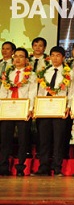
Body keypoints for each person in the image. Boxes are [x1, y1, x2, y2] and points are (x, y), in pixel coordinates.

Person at [31, 46, 71, 177]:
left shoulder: (68, 73)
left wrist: (68, 106)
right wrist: (36, 107)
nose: (55, 58)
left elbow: (71, 92)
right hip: (44, 110)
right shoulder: (44, 72)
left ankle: (57, 167)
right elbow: (39, 91)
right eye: (53, 55)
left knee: (58, 140)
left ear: (63, 57)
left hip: (59, 110)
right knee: (44, 140)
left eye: (58, 55)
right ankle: (43, 167)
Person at [0, 47, 37, 176]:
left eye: (21, 56)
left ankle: (20, 167)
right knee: (5, 139)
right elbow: (3, 92)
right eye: (16, 56)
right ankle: (3, 166)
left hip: (23, 110)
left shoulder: (31, 75)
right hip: (8, 110)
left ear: (26, 60)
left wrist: (31, 109)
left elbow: (32, 93)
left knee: (23, 140)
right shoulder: (8, 73)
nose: (18, 59)